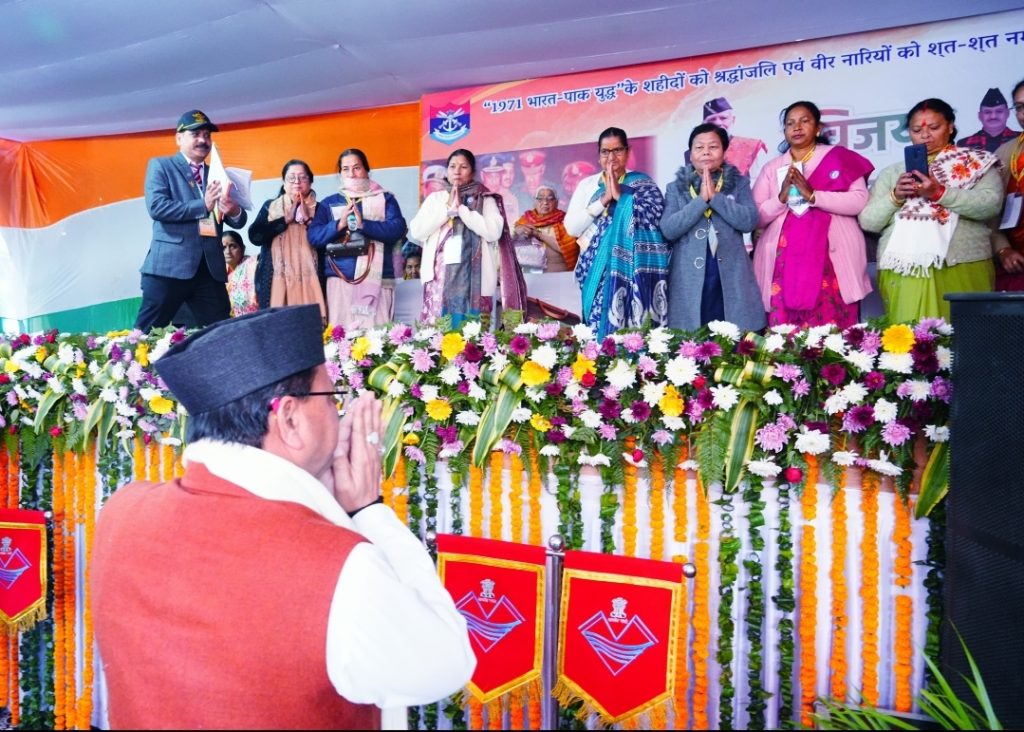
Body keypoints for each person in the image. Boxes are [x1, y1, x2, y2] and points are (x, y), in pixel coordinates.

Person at [91, 305, 475, 729]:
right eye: (332, 399)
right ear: (290, 419)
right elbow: (445, 663)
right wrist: (369, 511)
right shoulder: (335, 565)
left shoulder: (121, 513)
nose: (338, 414)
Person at [860, 98, 1004, 322]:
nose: (925, 135)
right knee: (911, 338)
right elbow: (868, 221)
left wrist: (939, 193)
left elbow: (990, 205)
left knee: (966, 334)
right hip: (903, 268)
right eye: (916, 130)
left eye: (934, 127)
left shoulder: (975, 163)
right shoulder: (892, 173)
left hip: (962, 262)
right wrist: (895, 196)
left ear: (950, 126)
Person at [751, 101, 874, 328]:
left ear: (818, 128)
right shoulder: (772, 168)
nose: (797, 127)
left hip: (830, 257)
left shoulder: (839, 158)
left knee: (832, 329)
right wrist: (781, 198)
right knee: (785, 333)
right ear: (785, 131)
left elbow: (859, 201)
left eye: (804, 121)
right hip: (783, 261)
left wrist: (814, 196)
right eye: (790, 123)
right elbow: (756, 216)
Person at [135, 110, 247, 331]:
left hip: (209, 269)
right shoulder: (161, 166)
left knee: (224, 332)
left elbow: (238, 220)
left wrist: (234, 210)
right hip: (169, 267)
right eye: (195, 134)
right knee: (145, 334)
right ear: (179, 138)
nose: (202, 140)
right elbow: (157, 207)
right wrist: (202, 205)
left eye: (207, 135)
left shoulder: (217, 173)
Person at [565, 127, 669, 337]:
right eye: (605, 151)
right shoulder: (588, 185)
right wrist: (603, 200)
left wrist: (623, 198)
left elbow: (656, 218)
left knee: (631, 332)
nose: (611, 157)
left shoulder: (643, 183)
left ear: (627, 152)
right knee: (595, 329)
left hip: (631, 270)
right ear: (598, 155)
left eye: (617, 150)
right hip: (593, 269)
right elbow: (572, 228)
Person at [661, 123, 765, 331]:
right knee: (694, 340)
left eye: (713, 146)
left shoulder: (739, 183)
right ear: (690, 154)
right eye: (699, 147)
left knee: (734, 337)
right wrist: (701, 201)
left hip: (730, 272)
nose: (706, 152)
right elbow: (669, 229)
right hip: (688, 276)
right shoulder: (676, 188)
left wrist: (716, 198)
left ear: (724, 152)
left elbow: (749, 221)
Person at [408, 148, 527, 326]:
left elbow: (493, 231)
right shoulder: (435, 199)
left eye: (463, 167)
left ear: (472, 172)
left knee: (473, 334)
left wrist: (462, 210)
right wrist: (447, 210)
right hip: (439, 278)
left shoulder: (485, 199)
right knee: (438, 333)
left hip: (476, 281)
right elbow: (417, 231)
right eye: (452, 166)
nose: (457, 171)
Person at [309, 149, 408, 330]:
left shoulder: (385, 199)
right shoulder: (329, 203)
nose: (351, 174)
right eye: (345, 169)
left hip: (377, 279)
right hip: (340, 279)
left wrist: (364, 225)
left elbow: (397, 229)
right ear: (340, 174)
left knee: (378, 338)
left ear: (366, 170)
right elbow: (314, 237)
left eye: (356, 168)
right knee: (342, 338)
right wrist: (339, 224)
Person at [248, 159, 328, 320]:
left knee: (313, 326)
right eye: (291, 178)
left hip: (313, 280)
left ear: (310, 182)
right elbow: (255, 236)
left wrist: (308, 220)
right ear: (284, 183)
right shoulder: (271, 206)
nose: (297, 182)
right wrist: (285, 219)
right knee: (278, 326)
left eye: (302, 177)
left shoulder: (321, 209)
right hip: (276, 283)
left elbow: (328, 242)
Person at [992, 79, 1024, 290]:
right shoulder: (1006, 153)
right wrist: (1003, 249)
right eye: (1019, 107)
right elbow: (991, 214)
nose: (1023, 113)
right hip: (1018, 263)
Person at [513, 185, 579, 273]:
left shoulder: (565, 221)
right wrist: (516, 231)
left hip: (559, 275)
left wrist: (539, 234)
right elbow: (509, 245)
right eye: (540, 199)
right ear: (535, 202)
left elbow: (569, 249)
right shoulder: (525, 220)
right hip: (529, 276)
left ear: (556, 202)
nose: (545, 202)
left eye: (550, 199)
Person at [694, 97, 768, 176]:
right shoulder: (693, 153)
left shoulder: (751, 148)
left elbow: (759, 181)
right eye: (712, 119)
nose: (718, 123)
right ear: (703, 124)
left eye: (723, 118)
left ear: (733, 120)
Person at [957, 87, 1019, 153]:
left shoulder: (1021, 140)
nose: (993, 116)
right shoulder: (963, 145)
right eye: (987, 112)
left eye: (999, 111)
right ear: (980, 116)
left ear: (1007, 113)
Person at [222, 231, 259, 317]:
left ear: (243, 248)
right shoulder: (221, 274)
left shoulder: (252, 266)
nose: (228, 251)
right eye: (223, 248)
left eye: (233, 246)